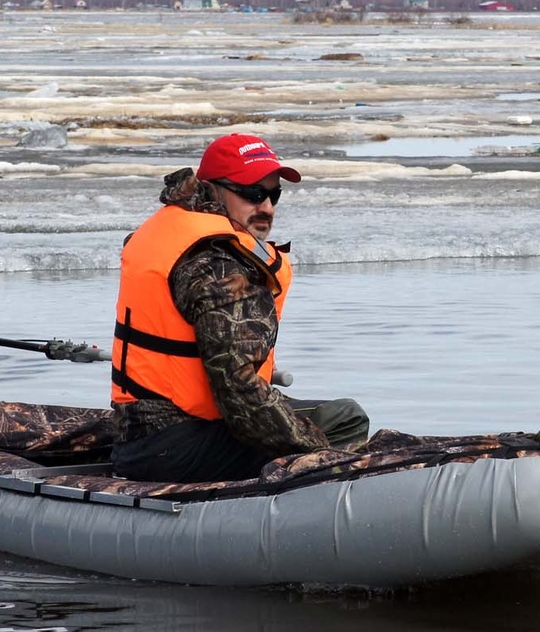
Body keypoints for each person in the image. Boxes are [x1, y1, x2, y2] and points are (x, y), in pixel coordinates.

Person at [110, 133, 368, 483]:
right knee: (345, 418)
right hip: (178, 446)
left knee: (319, 416)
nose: (266, 207)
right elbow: (239, 391)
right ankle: (301, 509)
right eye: (252, 193)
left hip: (142, 434)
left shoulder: (172, 228)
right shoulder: (220, 265)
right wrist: (312, 446)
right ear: (214, 189)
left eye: (273, 194)